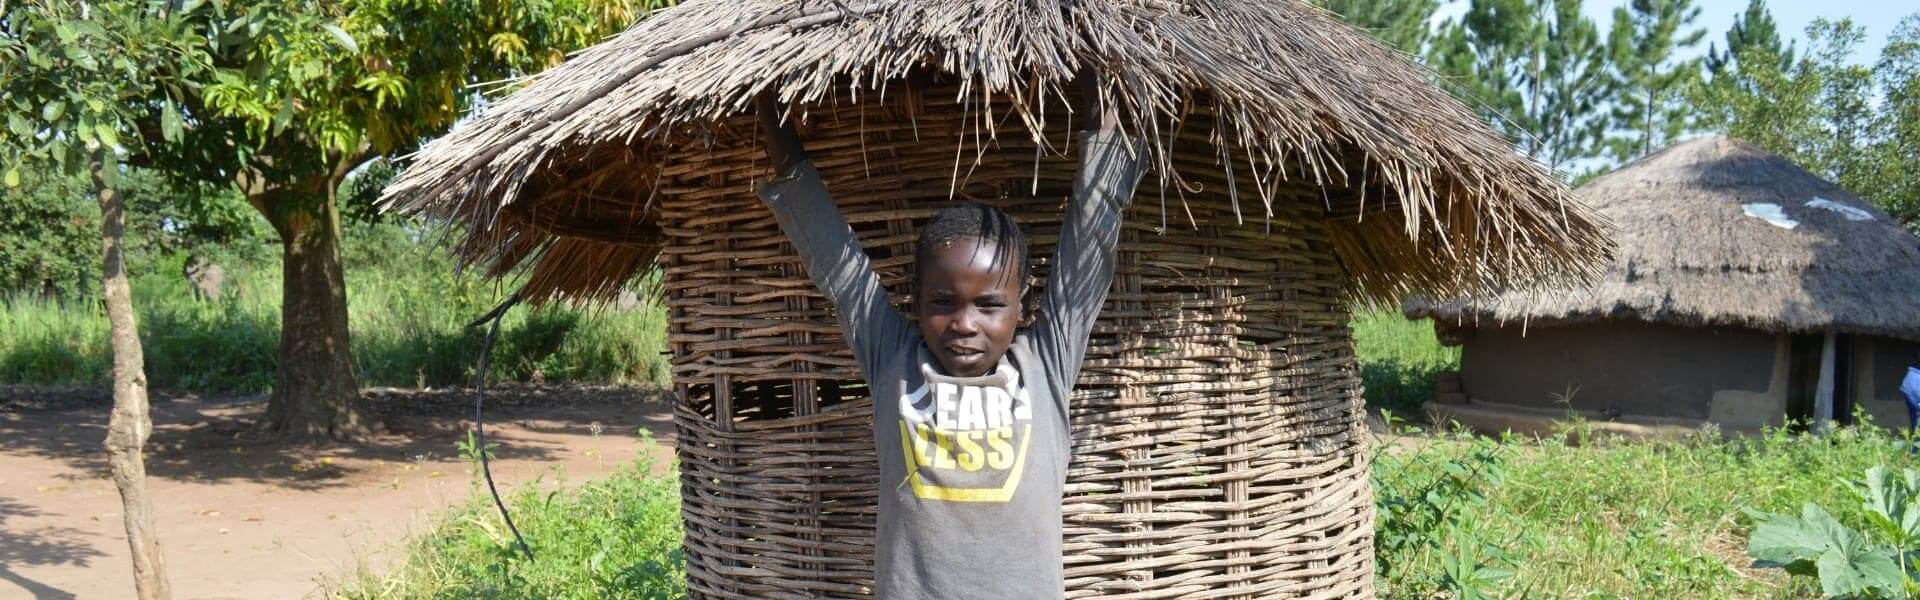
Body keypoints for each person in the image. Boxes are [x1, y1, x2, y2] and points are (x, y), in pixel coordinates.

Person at [753, 75, 1144, 599]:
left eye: (990, 304)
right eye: (943, 302)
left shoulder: (1045, 365)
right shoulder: (893, 358)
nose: (964, 323)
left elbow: (1089, 245)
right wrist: (768, 110)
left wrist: (1102, 112)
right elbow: (834, 259)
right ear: (915, 299)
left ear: (1021, 304)